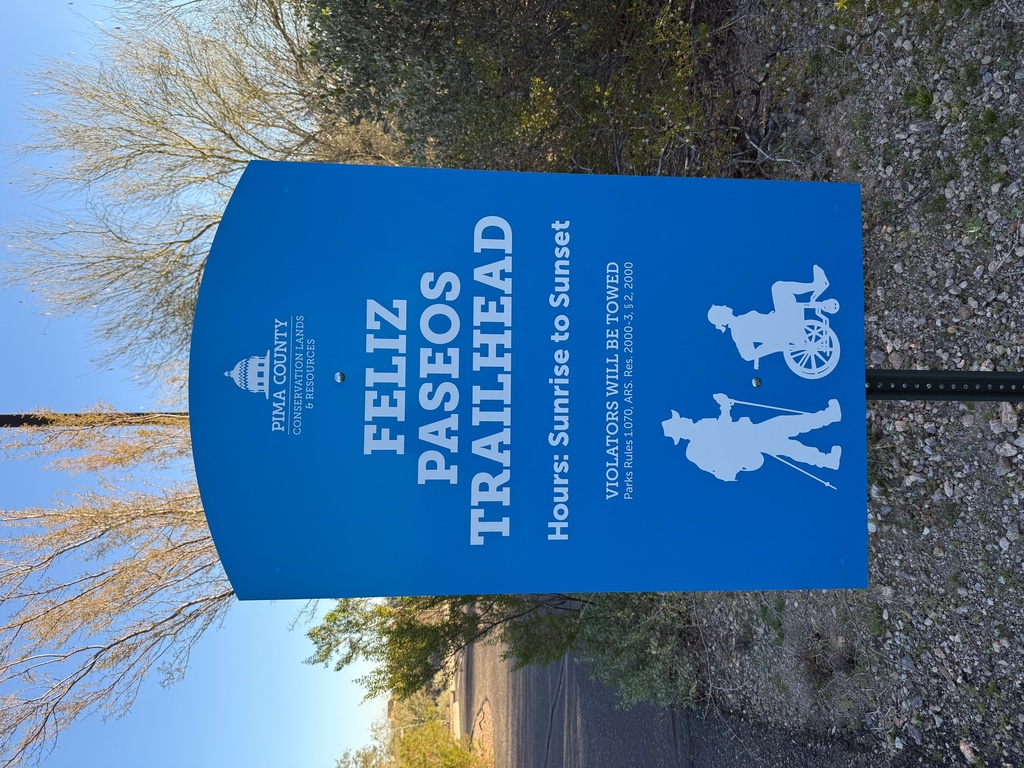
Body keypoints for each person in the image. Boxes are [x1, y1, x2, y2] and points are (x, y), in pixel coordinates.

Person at [661, 393, 841, 482]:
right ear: (681, 431)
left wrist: (724, 406)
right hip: (748, 444)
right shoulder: (693, 451)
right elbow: (721, 450)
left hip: (749, 434)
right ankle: (828, 421)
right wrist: (724, 408)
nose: (684, 418)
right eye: (680, 421)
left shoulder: (701, 425)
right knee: (789, 437)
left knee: (788, 435)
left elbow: (724, 424)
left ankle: (827, 455)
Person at [707, 265, 833, 363]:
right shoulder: (737, 330)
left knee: (778, 288)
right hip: (784, 328)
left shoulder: (739, 322)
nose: (724, 306)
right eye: (721, 308)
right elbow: (747, 355)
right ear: (721, 317)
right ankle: (816, 285)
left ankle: (816, 287)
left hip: (781, 321)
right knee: (778, 288)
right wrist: (778, 346)